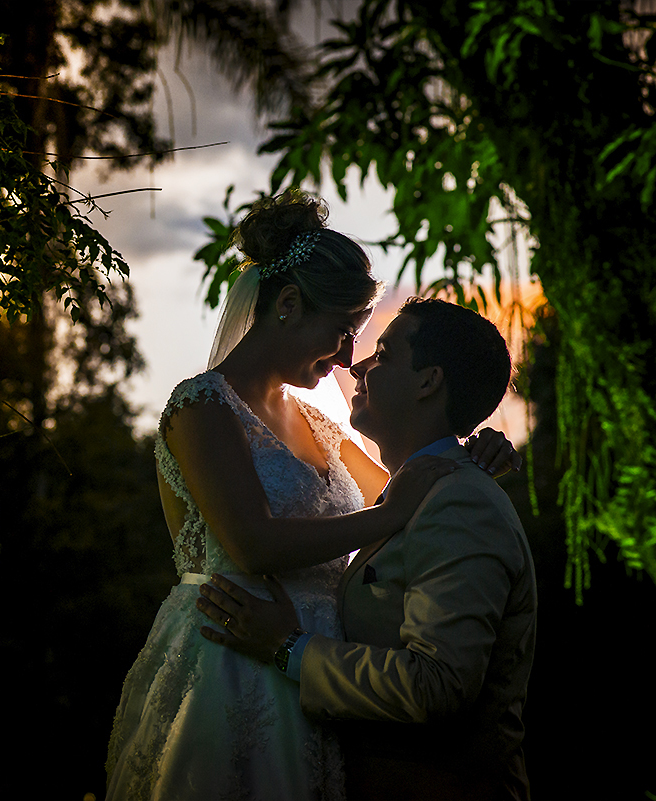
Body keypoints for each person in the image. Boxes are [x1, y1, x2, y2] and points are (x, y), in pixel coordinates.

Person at [105, 192, 519, 801]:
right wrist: (393, 512)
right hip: (231, 659)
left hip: (318, 675)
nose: (349, 356)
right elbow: (251, 543)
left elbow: (417, 500)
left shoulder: (320, 424)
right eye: (343, 331)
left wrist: (474, 459)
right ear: (290, 305)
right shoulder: (202, 407)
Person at [196, 297, 536, 801]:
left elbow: (437, 686)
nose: (357, 365)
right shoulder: (414, 491)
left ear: (429, 381)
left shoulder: (461, 502)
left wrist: (286, 647)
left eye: (383, 353)